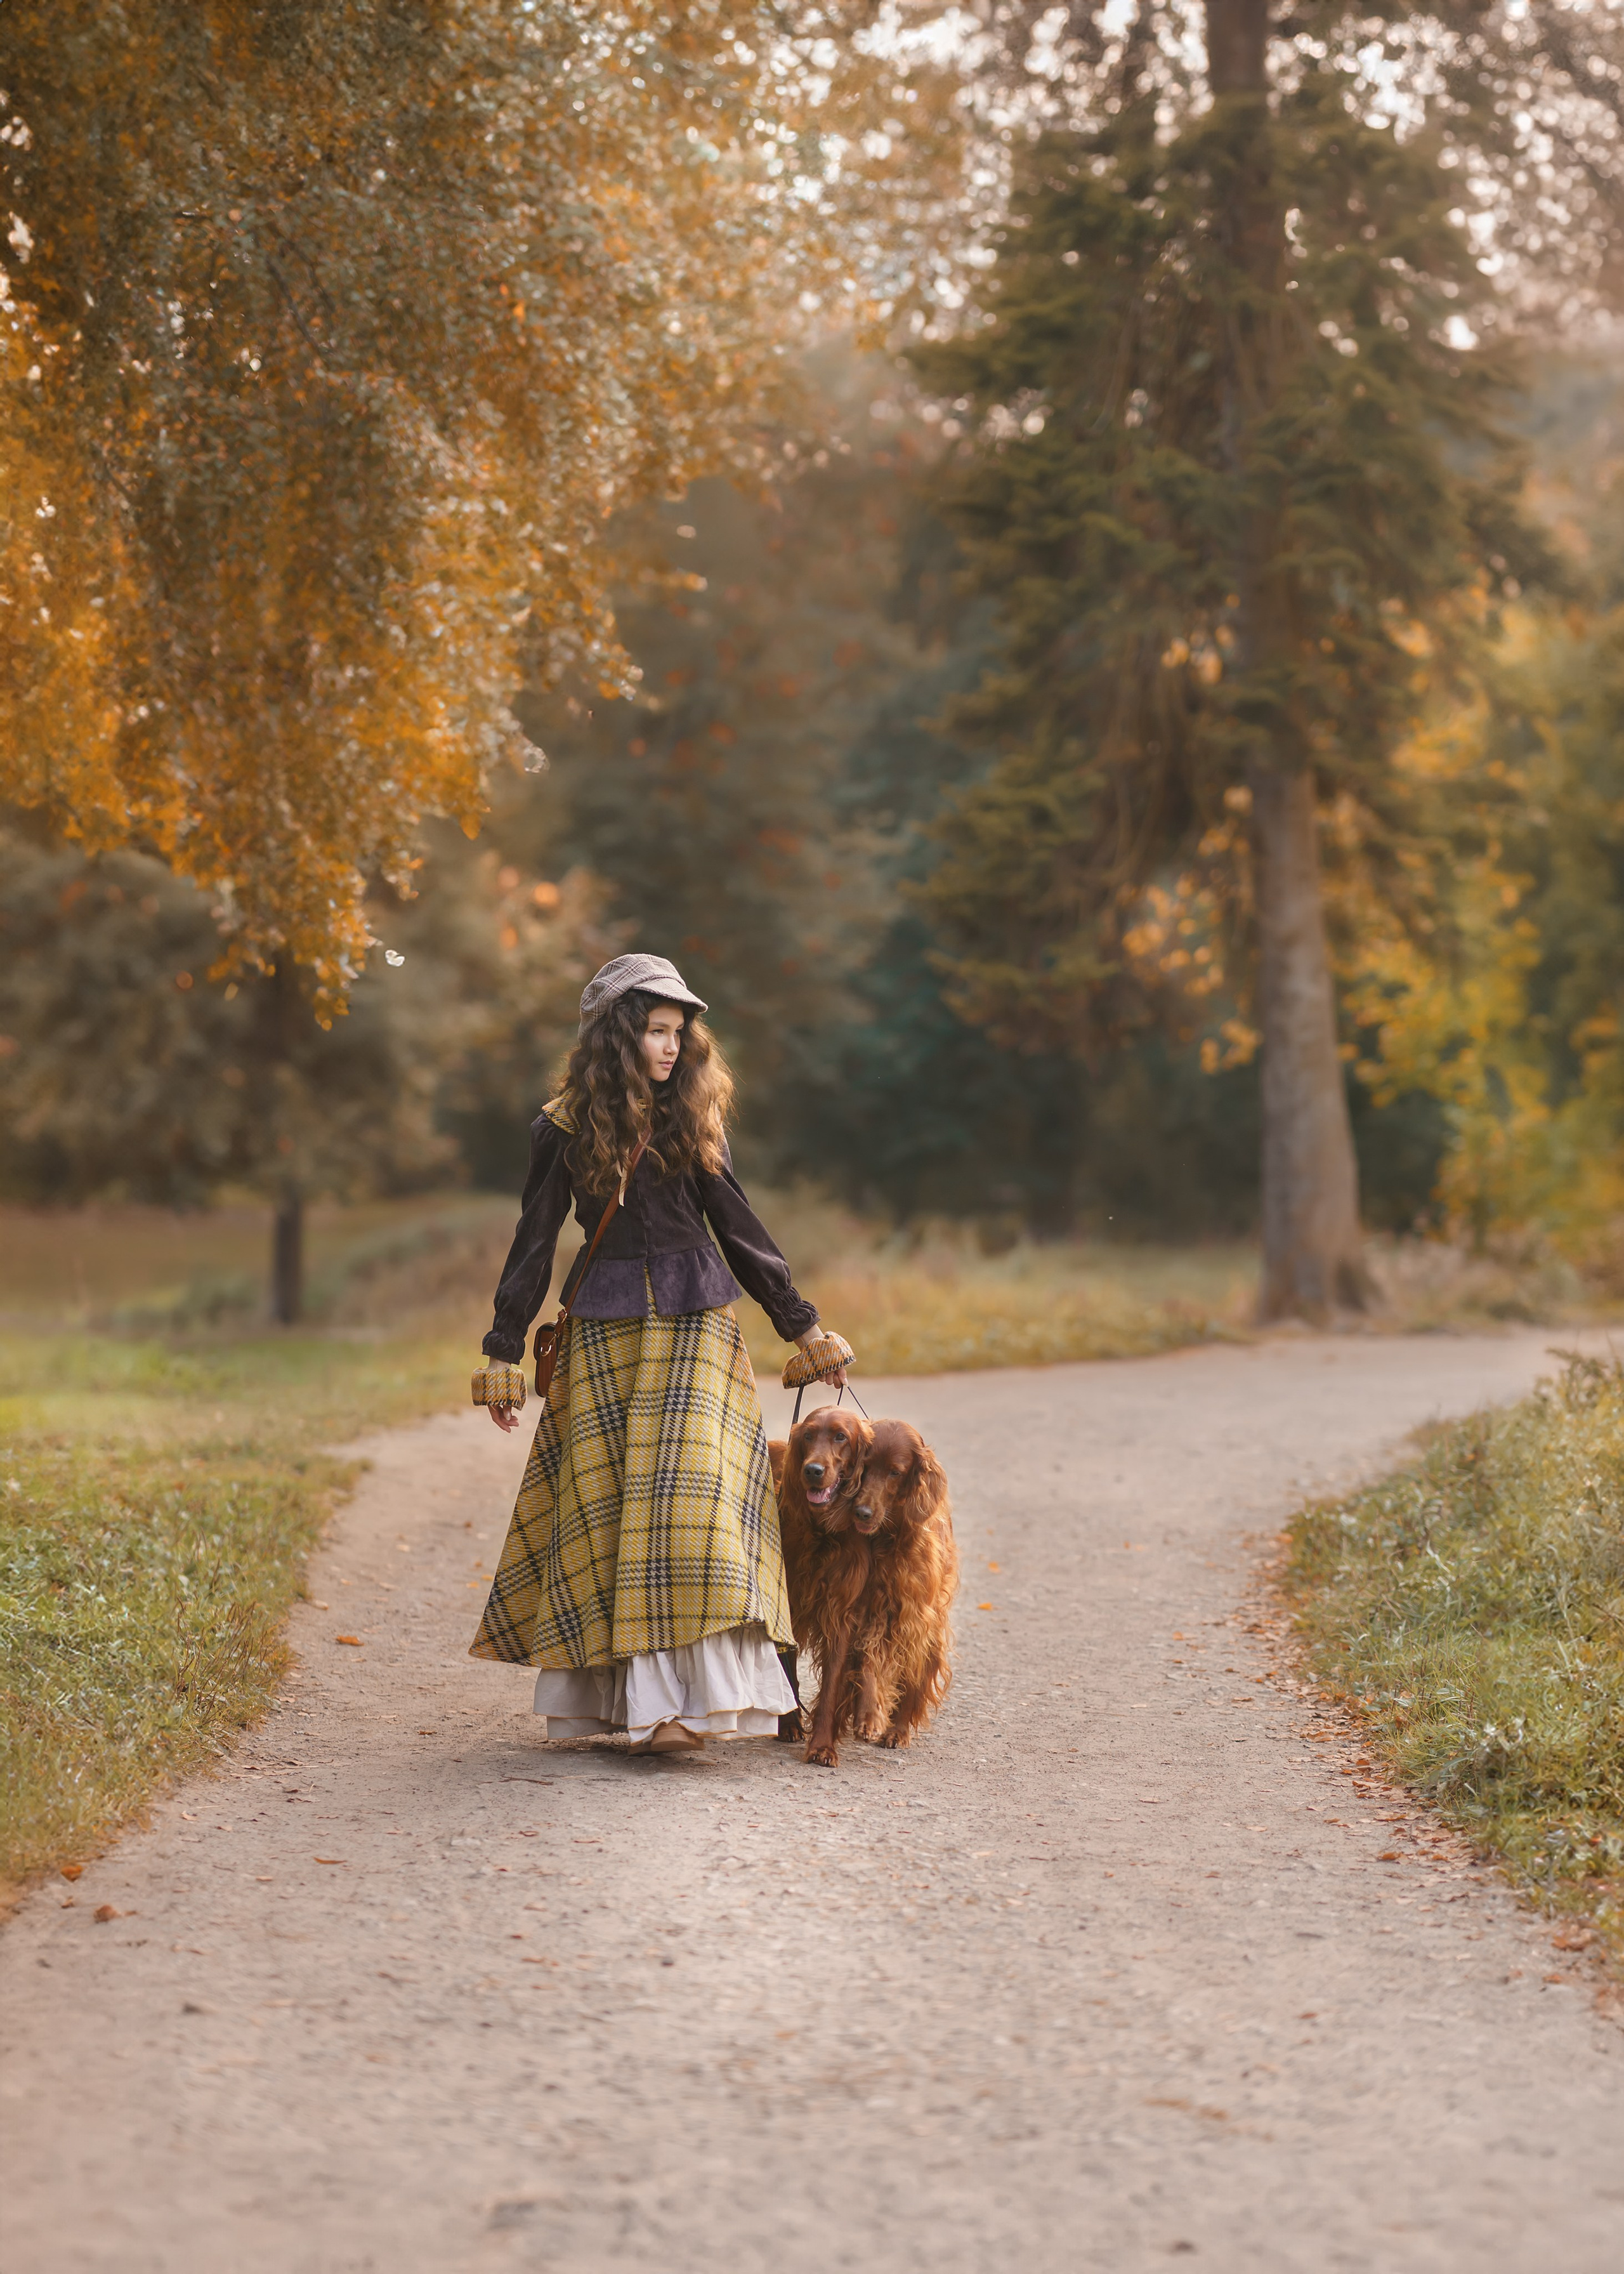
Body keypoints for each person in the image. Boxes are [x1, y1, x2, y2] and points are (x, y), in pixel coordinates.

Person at [468, 953, 848, 1754]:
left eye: (679, 1032)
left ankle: (702, 1700)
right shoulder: (562, 1129)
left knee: (693, 1511)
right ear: (618, 1034)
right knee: (615, 1517)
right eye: (655, 1030)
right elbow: (532, 1246)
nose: (672, 1047)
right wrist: (504, 1348)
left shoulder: (692, 1118)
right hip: (604, 1335)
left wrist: (802, 1326)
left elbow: (737, 1226)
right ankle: (643, 1708)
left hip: (699, 1330)